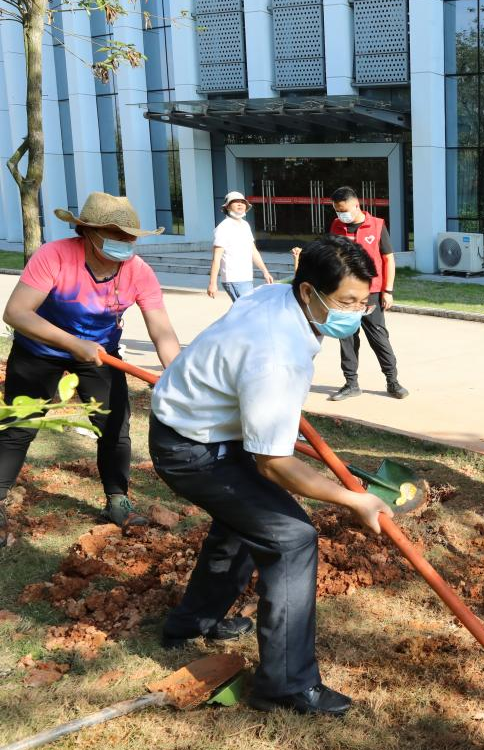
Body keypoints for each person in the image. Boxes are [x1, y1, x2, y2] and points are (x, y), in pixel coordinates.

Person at [149, 236, 391, 716]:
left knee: (242, 523)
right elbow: (274, 464)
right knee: (291, 537)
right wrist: (355, 500)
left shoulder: (278, 295)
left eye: (364, 302)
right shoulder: (276, 354)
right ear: (308, 292)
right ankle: (285, 685)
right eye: (346, 302)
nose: (357, 313)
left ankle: (191, 622)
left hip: (208, 427)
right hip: (192, 449)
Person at [0, 193, 181, 543]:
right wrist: (71, 343)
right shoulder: (54, 256)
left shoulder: (138, 272)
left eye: (130, 236)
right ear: (87, 232)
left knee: (115, 427)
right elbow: (16, 313)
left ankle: (117, 501)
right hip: (39, 350)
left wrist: (175, 374)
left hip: (100, 355)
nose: (126, 243)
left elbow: (162, 329)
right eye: (116, 235)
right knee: (19, 427)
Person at [324, 186, 407, 401]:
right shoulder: (336, 226)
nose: (341, 215)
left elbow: (389, 259)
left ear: (356, 205)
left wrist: (387, 291)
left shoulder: (377, 225)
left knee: (378, 337)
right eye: (336, 210)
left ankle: (393, 382)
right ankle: (351, 383)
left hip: (371, 293)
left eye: (343, 210)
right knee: (347, 338)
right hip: (344, 295)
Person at [207, 191, 273, 302]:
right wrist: (212, 283)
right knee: (248, 312)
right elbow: (216, 258)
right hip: (234, 278)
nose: (240, 204)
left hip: (246, 277)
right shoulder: (224, 227)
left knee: (244, 313)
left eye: (242, 202)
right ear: (227, 207)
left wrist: (265, 272)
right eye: (235, 202)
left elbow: (253, 251)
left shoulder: (245, 225)